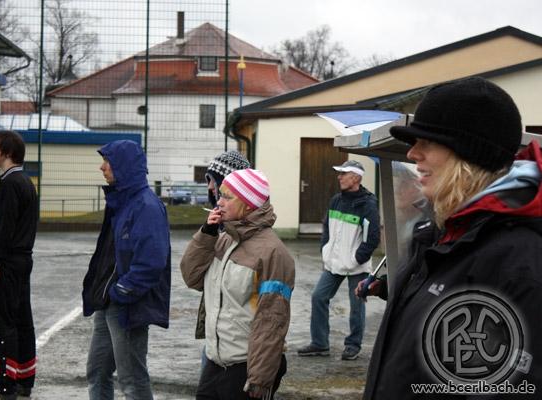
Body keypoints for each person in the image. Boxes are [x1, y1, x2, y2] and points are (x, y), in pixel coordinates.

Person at [362, 77, 542, 399]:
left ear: (468, 152)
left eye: (427, 142)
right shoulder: (439, 238)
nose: (413, 153)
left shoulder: (518, 261)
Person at [180, 169, 295, 400]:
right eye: (220, 195)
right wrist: (206, 234)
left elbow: (271, 321)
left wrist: (259, 380)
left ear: (249, 204)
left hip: (245, 368)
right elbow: (191, 277)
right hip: (214, 363)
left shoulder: (273, 253)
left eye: (227, 197)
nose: (219, 202)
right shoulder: (223, 239)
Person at [82, 140, 171, 400]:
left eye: (107, 162)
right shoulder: (120, 202)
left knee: (131, 379)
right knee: (97, 372)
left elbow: (152, 263)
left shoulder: (146, 206)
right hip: (108, 302)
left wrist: (121, 292)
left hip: (127, 305)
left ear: (123, 166)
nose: (102, 167)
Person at [297, 160, 380, 360]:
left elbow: (372, 238)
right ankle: (319, 344)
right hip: (333, 263)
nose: (339, 177)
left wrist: (355, 259)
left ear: (356, 178)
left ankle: (353, 345)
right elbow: (326, 227)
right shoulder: (336, 200)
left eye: (344, 173)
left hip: (356, 266)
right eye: (339, 173)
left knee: (356, 304)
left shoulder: (368, 204)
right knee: (318, 297)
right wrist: (325, 250)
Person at [0, 130, 38, 400]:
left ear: (7, 152)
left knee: (3, 324)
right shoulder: (26, 181)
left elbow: (5, 228)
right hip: (22, 260)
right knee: (21, 320)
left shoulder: (9, 183)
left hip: (7, 262)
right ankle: (25, 379)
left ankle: (5, 385)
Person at [195, 151, 251, 346]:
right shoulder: (214, 225)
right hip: (216, 327)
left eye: (213, 180)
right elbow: (192, 276)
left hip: (234, 335)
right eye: (208, 180)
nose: (209, 186)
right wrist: (206, 233)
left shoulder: (246, 231)